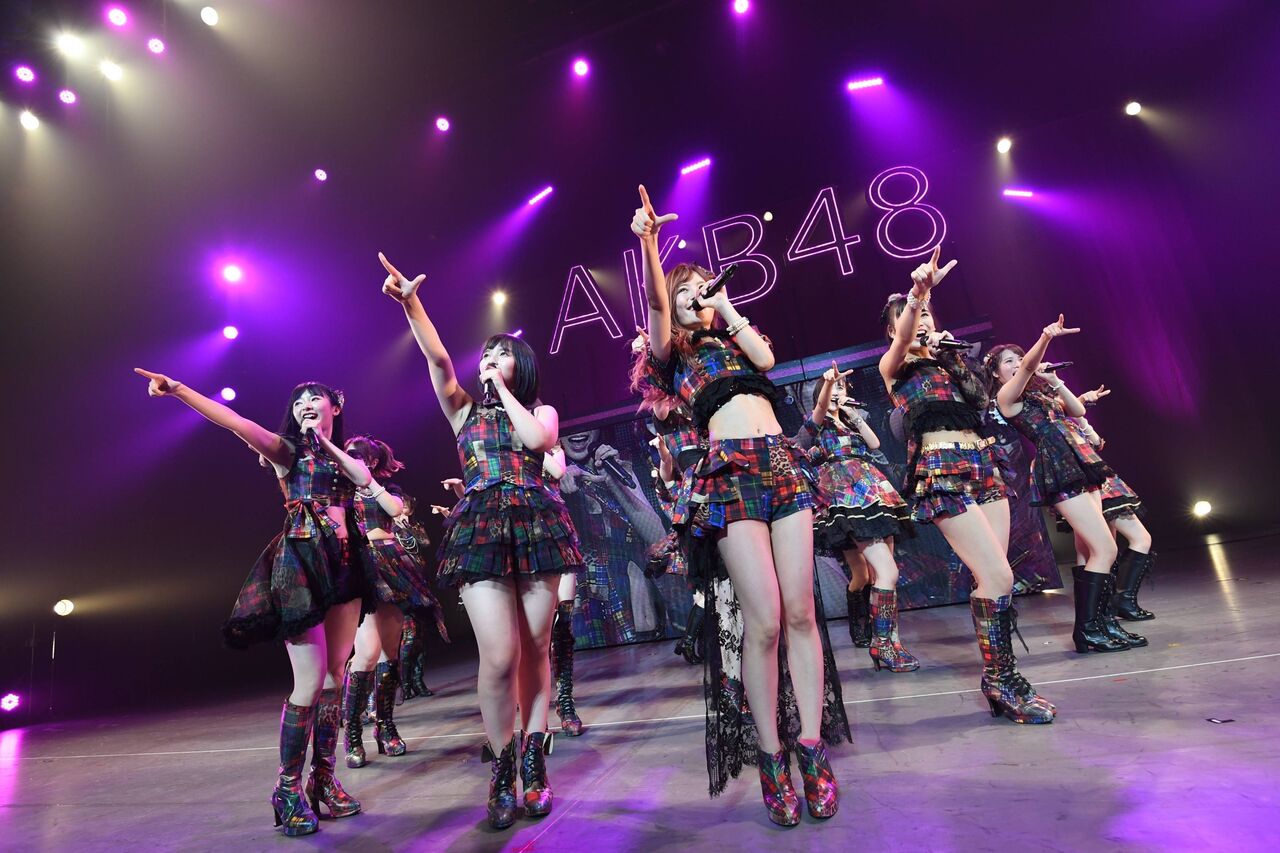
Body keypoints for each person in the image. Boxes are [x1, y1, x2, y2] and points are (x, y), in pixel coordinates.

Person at [629, 186, 844, 825]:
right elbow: (658, 308)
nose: (697, 294)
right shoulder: (673, 356)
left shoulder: (734, 340)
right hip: (729, 474)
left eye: (703, 287)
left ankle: (812, 748)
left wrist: (725, 304)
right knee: (766, 620)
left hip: (781, 466)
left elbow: (767, 358)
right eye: (688, 290)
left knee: (802, 612)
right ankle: (772, 756)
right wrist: (649, 245)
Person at [379, 252, 583, 829]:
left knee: (536, 649)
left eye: (502, 354)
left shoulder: (542, 409)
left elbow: (538, 442)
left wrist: (505, 392)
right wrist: (412, 305)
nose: (489, 359)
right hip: (482, 531)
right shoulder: (462, 411)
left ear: (521, 366)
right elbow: (439, 359)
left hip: (537, 524)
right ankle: (501, 766)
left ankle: (535, 762)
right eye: (486, 354)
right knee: (499, 656)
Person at [133, 371, 367, 836]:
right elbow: (234, 421)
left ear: (335, 407)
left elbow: (363, 480)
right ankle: (287, 789)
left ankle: (323, 778)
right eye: (297, 400)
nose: (305, 404)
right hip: (301, 564)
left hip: (345, 564)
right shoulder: (286, 451)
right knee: (309, 682)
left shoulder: (345, 456)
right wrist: (179, 390)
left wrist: (327, 444)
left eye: (314, 398)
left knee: (337, 677)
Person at [877, 248, 1056, 724]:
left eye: (927, 314)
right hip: (941, 471)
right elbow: (903, 339)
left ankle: (1001, 680)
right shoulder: (895, 366)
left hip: (983, 465)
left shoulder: (947, 359)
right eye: (912, 317)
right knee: (1000, 577)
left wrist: (951, 356)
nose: (921, 320)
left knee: (994, 578)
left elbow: (980, 401)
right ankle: (1000, 681)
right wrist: (917, 295)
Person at [801, 362, 918, 671]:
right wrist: (828, 384)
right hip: (845, 494)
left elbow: (875, 443)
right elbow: (819, 411)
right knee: (873, 573)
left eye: (842, 387)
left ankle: (891, 642)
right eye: (833, 388)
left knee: (886, 574)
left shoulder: (851, 420)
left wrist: (851, 414)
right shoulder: (816, 422)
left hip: (873, 489)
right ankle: (879, 643)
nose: (838, 391)